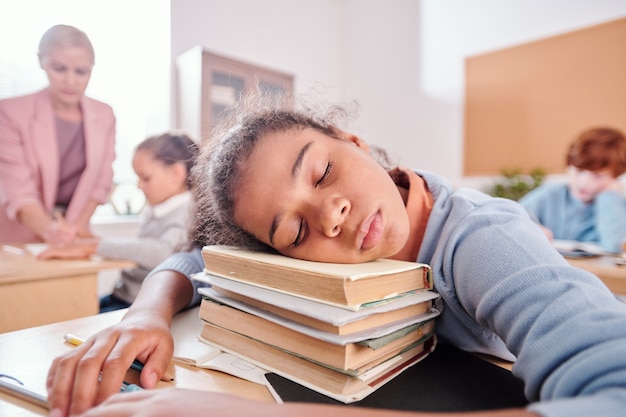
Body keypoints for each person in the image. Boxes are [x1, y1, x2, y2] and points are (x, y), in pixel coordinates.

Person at [45, 93, 626, 417]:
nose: (329, 216)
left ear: (356, 144)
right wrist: (147, 314)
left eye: (322, 172)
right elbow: (198, 264)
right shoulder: (322, 253)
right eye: (293, 232)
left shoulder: (480, 240)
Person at [38, 133, 198, 312]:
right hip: (123, 294)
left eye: (145, 178)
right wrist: (91, 239)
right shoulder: (156, 210)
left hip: (140, 304)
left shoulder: (187, 211)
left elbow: (163, 252)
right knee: (70, 310)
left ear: (176, 173)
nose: (139, 186)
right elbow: (141, 250)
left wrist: (94, 246)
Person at [0, 24, 116, 245]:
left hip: (75, 233)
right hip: (20, 236)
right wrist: (49, 230)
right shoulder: (10, 112)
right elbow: (16, 188)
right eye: (59, 68)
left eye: (81, 71)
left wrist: (75, 229)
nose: (70, 81)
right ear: (41, 61)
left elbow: (101, 182)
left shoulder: (105, 115)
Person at [518, 127, 626, 254]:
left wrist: (610, 196)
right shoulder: (550, 194)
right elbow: (510, 219)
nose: (584, 182)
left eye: (598, 176)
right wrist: (532, 229)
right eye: (578, 171)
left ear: (616, 176)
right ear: (568, 167)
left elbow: (615, 246)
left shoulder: (616, 204)